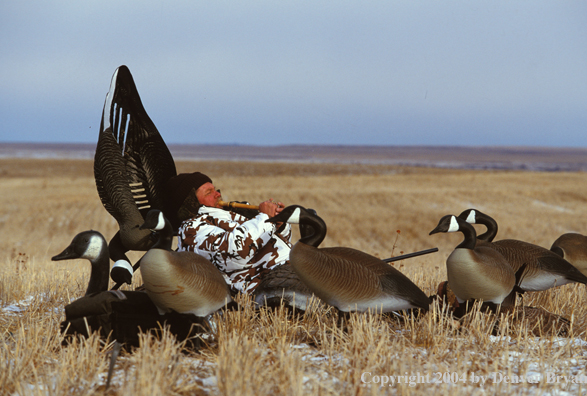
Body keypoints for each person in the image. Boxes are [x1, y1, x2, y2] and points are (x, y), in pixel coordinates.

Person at [164, 172, 292, 294]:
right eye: (209, 192)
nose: (218, 194)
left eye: (215, 189)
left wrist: (279, 225)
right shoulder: (191, 229)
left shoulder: (231, 215)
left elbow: (275, 245)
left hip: (288, 270)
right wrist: (264, 218)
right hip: (268, 286)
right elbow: (237, 251)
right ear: (191, 202)